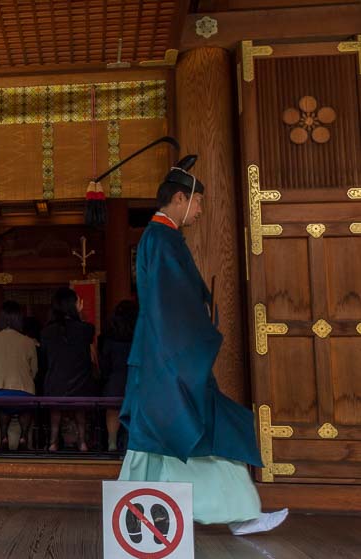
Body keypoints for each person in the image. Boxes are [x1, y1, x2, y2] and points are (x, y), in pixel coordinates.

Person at [118, 159, 288, 535]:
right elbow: (172, 304)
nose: (200, 212)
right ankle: (136, 516)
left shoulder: (159, 237)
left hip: (164, 356)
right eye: (198, 203)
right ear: (180, 198)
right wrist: (201, 332)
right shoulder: (162, 239)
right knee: (190, 431)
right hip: (170, 357)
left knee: (175, 435)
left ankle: (138, 515)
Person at [41, 287, 97, 452]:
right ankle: (82, 441)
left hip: (55, 384)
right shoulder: (86, 329)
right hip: (82, 384)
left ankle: (53, 441)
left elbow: (44, 360)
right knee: (80, 407)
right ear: (74, 305)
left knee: (55, 408)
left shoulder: (46, 332)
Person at [0, 301, 38, 450]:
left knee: (2, 406)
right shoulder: (28, 342)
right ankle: (24, 437)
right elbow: (34, 369)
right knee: (25, 406)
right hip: (23, 390)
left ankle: (3, 436)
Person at [99, 299, 138, 452]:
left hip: (115, 380)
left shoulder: (108, 339)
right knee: (135, 411)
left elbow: (104, 366)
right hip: (135, 380)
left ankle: (112, 441)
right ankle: (132, 442)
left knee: (112, 410)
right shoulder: (139, 340)